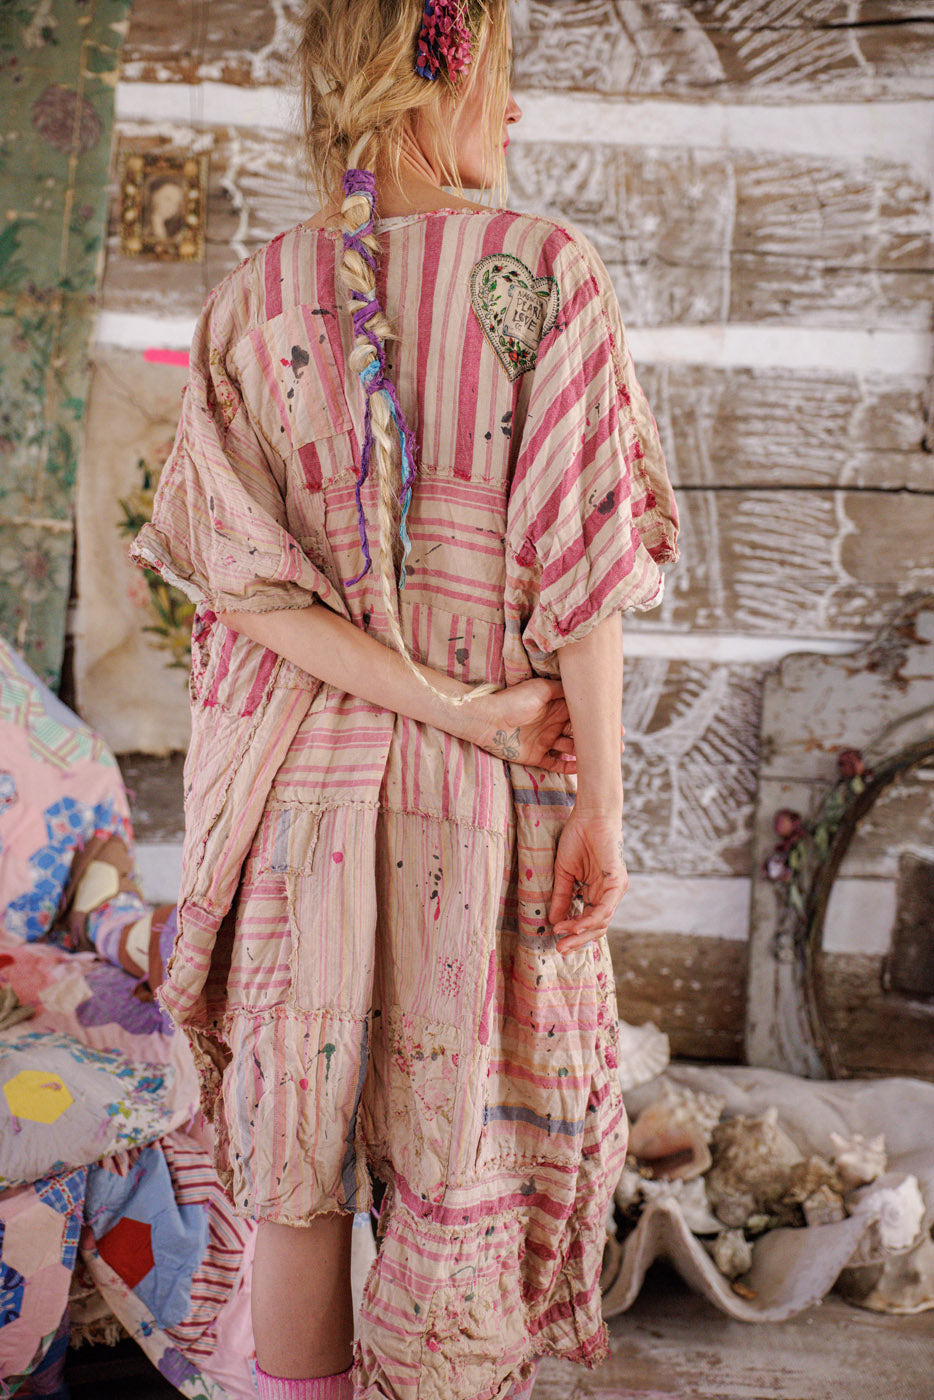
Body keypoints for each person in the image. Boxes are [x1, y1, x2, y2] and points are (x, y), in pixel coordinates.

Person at [131, 2, 678, 1398]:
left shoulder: (253, 295)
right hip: (479, 810)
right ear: (433, 74)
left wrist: (449, 705)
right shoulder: (543, 268)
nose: (517, 112)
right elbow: (585, 575)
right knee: (461, 1157)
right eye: (504, 77)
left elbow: (249, 598)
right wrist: (596, 803)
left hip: (296, 810)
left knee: (298, 1170)